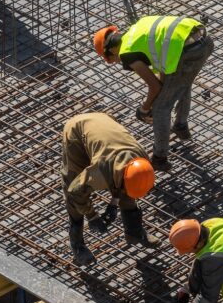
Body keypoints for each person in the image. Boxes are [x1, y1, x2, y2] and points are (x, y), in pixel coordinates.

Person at [92, 16, 213, 171]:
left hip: (189, 52)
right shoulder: (137, 30)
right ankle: (180, 126)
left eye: (111, 59)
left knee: (161, 108)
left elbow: (154, 86)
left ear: (111, 50)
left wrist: (144, 109)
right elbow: (164, 75)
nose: (116, 61)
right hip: (204, 40)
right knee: (181, 83)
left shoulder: (127, 53)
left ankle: (159, 158)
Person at [61, 112, 160, 266]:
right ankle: (78, 247)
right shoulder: (101, 170)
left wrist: (114, 202)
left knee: (128, 190)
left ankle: (134, 232)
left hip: (103, 123)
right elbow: (75, 191)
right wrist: (92, 216)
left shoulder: (142, 163)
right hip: (77, 133)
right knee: (73, 189)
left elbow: (124, 183)